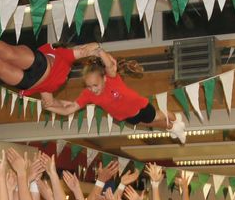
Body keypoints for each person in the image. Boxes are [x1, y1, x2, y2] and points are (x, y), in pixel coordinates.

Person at [39, 49, 186, 143]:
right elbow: (69, 109)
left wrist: (99, 50)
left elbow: (109, 65)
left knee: (158, 117)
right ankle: (173, 127)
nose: (92, 89)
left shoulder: (112, 79)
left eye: (95, 85)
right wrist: (50, 106)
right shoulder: (88, 94)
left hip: (141, 107)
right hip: (128, 117)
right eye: (89, 86)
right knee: (151, 124)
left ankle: (175, 120)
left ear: (104, 78)